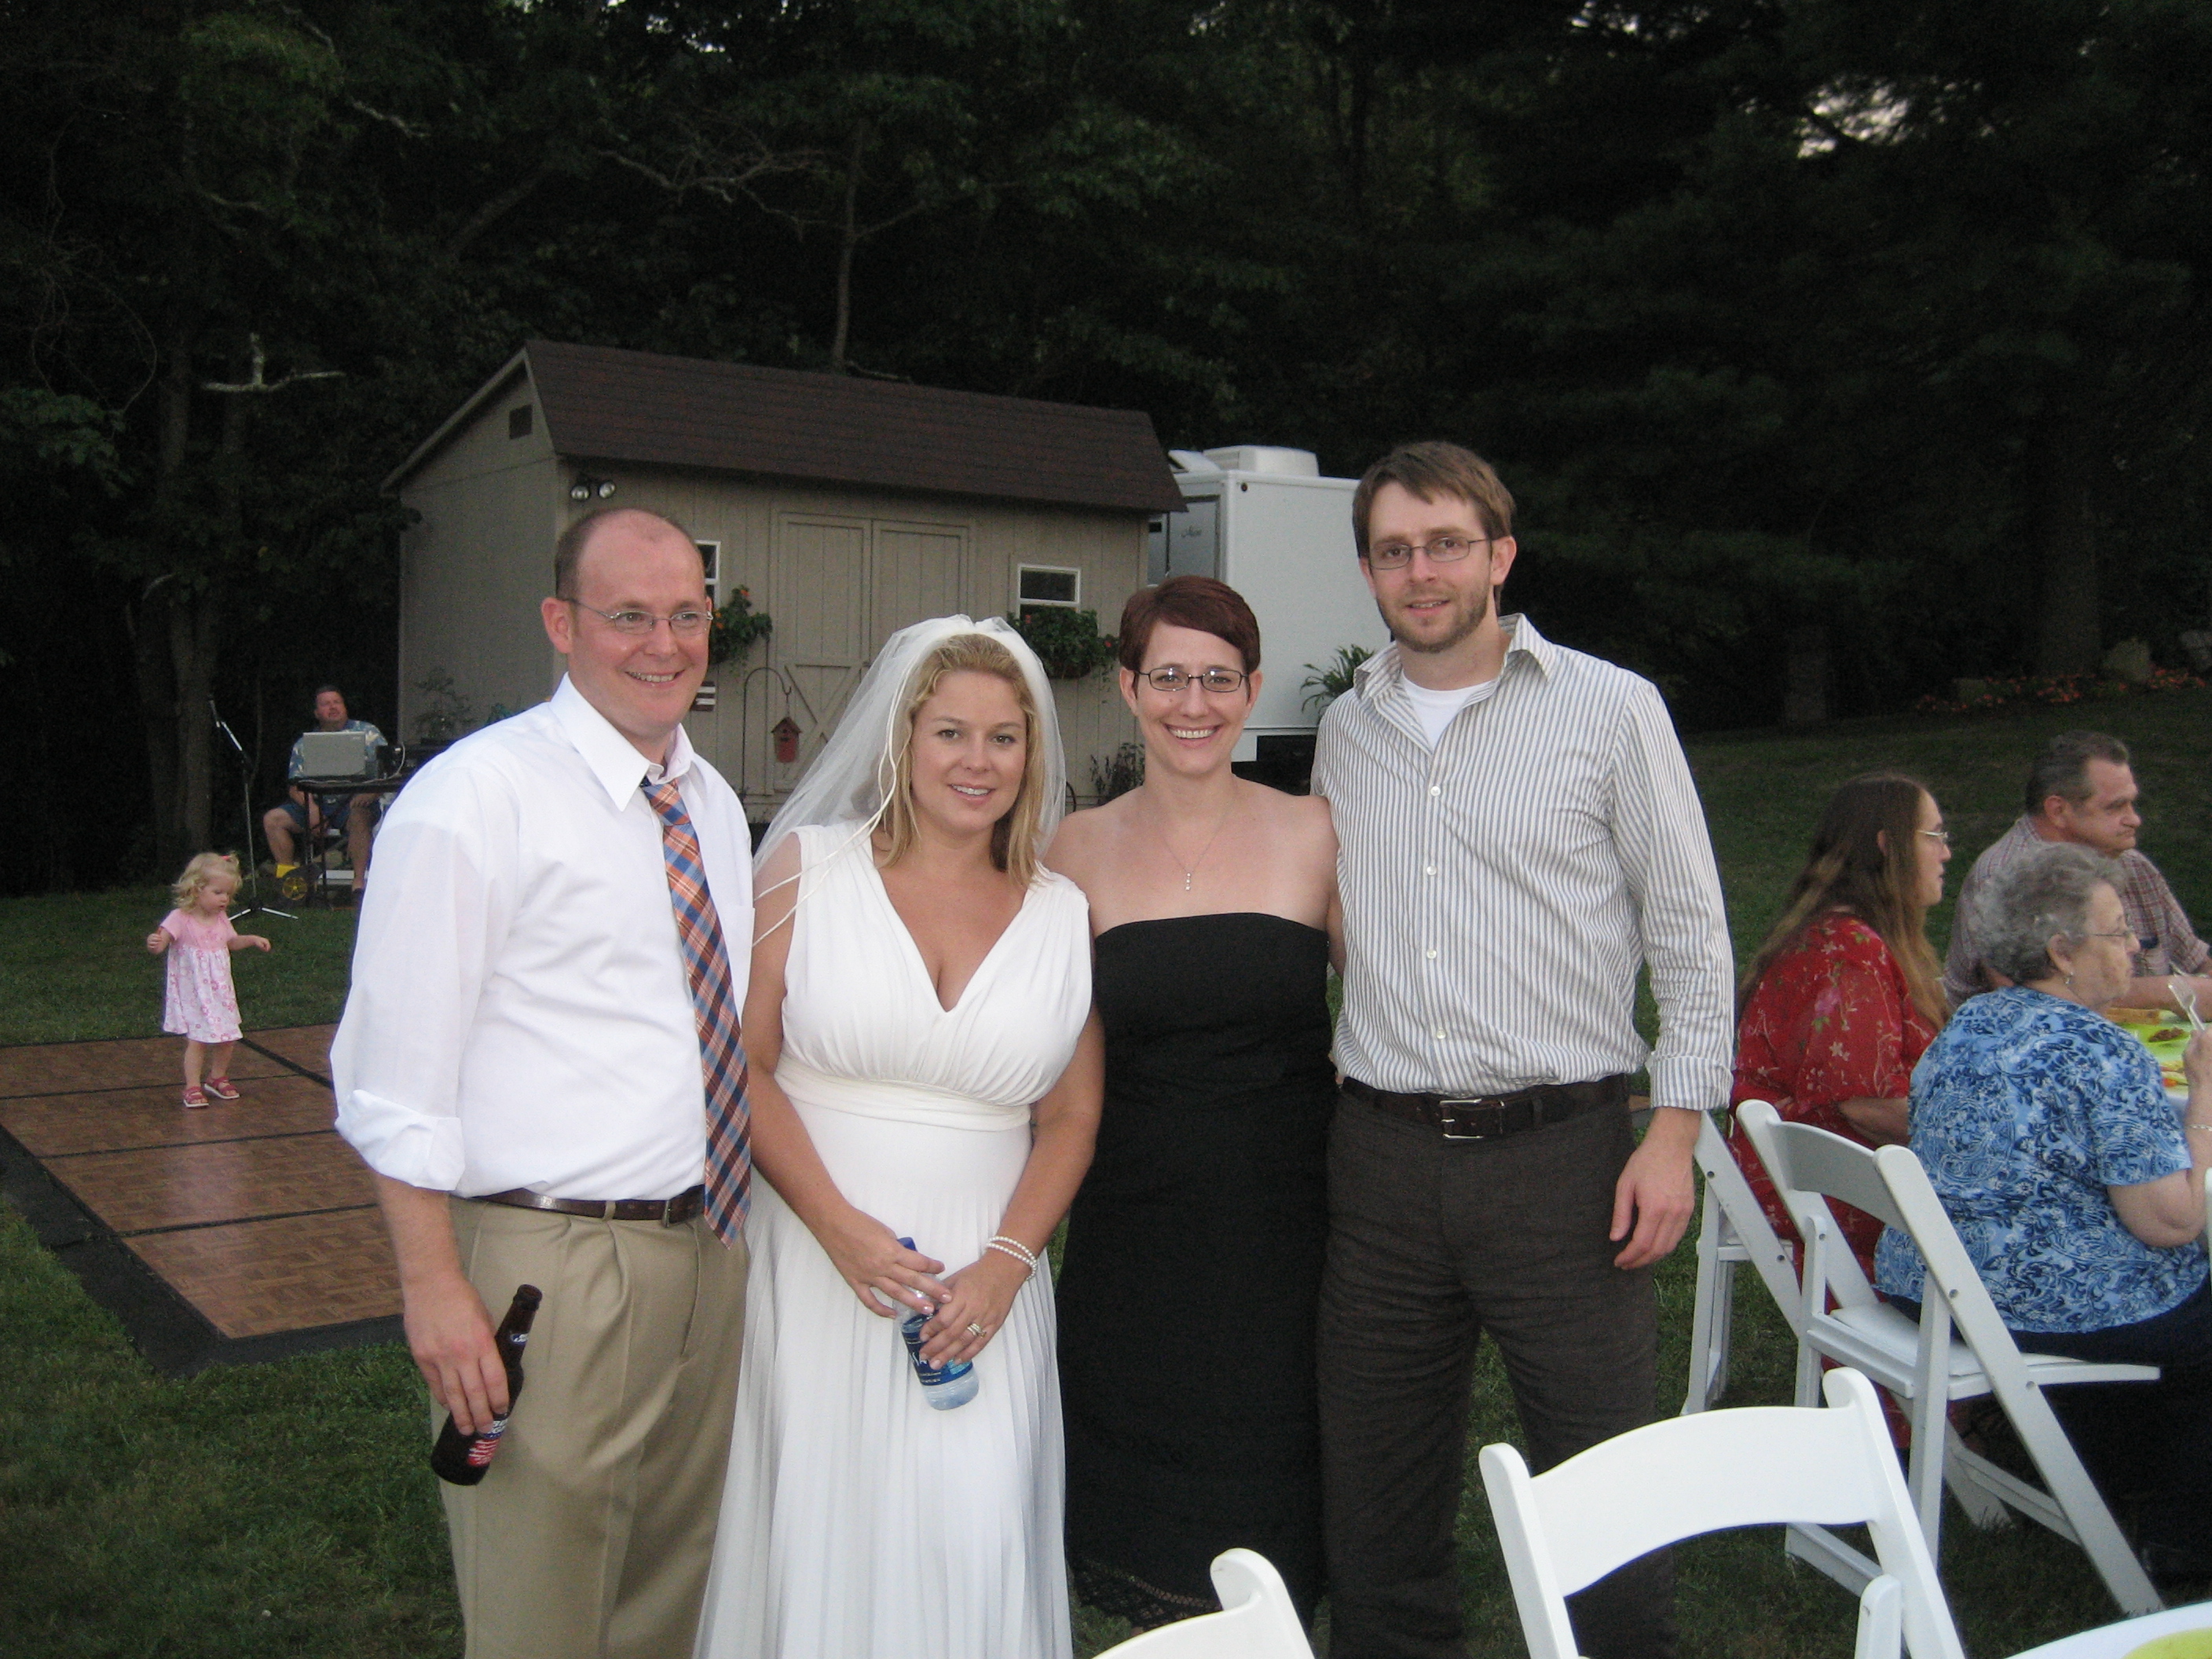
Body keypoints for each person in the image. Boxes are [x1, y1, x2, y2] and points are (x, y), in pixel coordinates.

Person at [1310, 441, 1733, 1659]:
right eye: (1395, 550)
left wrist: (1674, 1132)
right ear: (1369, 572)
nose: (1421, 571)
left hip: (1566, 1159)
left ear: (1499, 554)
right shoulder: (1346, 727)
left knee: (1605, 1484)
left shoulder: (1611, 708)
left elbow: (1691, 931)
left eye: (1445, 543)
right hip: (1383, 1163)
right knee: (1377, 1491)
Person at [332, 506, 754, 1659]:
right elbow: (393, 1077)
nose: (663, 644)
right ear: (561, 624)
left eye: (686, 615)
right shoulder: (475, 799)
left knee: (665, 1597)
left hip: (707, 1250)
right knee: (541, 1615)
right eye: (630, 616)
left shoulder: (711, 805)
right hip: (548, 1270)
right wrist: (433, 1287)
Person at [695, 616, 1101, 1659]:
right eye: (950, 733)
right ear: (902, 739)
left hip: (985, 1280)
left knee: (971, 1527)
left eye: (1003, 738)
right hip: (818, 1256)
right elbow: (741, 1062)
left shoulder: (1060, 911)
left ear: (1032, 753)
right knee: (826, 1518)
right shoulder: (808, 869)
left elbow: (1069, 1115)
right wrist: (837, 1228)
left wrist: (1007, 1265)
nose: (977, 761)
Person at [1046, 576, 1341, 1630]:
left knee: (1272, 1451)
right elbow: (1048, 1049)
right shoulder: (1073, 848)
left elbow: (1393, 1012)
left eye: (1218, 678)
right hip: (1134, 1221)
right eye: (1168, 676)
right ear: (1128, 687)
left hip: (1283, 1218)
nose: (1193, 703)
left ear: (1252, 690)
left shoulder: (1315, 832)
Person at [1877, 842, 2212, 1588]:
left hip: (1931, 1285)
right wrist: (2203, 1096)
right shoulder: (2104, 1054)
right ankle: (2184, 1539)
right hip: (2024, 1300)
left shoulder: (1969, 1022)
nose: (2136, 947)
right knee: (2196, 1300)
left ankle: (2097, 1468)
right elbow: (2172, 1222)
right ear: (2062, 952)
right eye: (2118, 932)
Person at [1727, 772, 1951, 1280]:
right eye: (1934, 835)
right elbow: (1865, 1106)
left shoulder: (1849, 940)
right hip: (1836, 1191)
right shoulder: (1848, 953)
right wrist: (1974, 1137)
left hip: (1843, 1178)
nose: (1946, 853)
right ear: (1888, 846)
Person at [1945, 731, 2210, 1014]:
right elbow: (2028, 1001)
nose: (2135, 819)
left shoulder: (2133, 866)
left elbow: (2197, 960)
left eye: (2132, 803)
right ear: (2058, 810)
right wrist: (2171, 992)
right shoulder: (2005, 879)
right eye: (2115, 807)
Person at [145, 851, 271, 1108]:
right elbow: (161, 943)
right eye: (218, 892)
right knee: (198, 1039)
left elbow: (231, 942)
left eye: (228, 894)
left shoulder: (220, 918)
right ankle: (192, 1086)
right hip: (194, 992)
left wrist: (251, 939)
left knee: (228, 1036)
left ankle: (217, 1077)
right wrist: (155, 943)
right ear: (196, 889)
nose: (224, 899)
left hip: (220, 991)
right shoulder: (180, 918)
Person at [262, 685, 387, 895]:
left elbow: (388, 770)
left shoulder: (368, 733)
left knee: (359, 817)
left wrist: (371, 792)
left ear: (345, 707)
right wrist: (311, 808)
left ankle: (358, 883)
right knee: (273, 820)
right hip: (316, 803)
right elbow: (294, 786)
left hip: (354, 804)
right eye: (326, 704)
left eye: (337, 702)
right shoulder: (304, 744)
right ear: (317, 713)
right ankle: (291, 883)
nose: (333, 707)